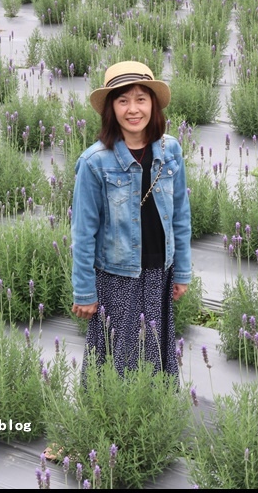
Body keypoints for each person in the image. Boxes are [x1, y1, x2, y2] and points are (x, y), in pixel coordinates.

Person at [70, 60, 192, 381]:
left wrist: (182, 271)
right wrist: (84, 291)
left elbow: (181, 215)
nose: (133, 109)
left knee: (155, 354)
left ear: (153, 104)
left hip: (158, 275)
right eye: (123, 100)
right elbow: (83, 233)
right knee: (115, 360)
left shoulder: (170, 150)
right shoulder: (95, 162)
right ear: (111, 109)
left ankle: (152, 418)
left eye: (141, 98)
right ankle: (110, 420)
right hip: (116, 278)